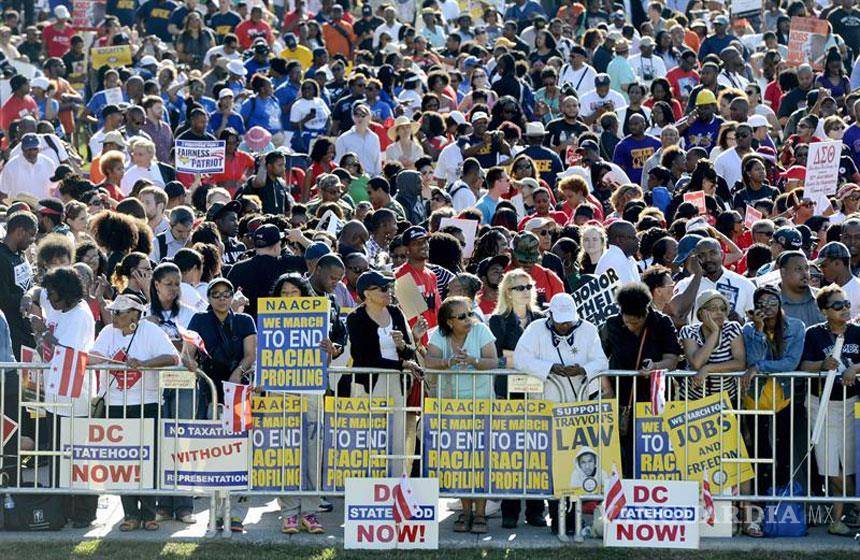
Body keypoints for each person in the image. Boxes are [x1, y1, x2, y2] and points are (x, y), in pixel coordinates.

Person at [514, 293, 608, 531]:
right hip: (546, 406)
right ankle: (556, 518)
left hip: (578, 407)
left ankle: (570, 519)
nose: (565, 325)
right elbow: (520, 359)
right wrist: (550, 368)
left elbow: (601, 361)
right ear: (551, 316)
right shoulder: (536, 329)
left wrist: (583, 369)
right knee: (550, 465)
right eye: (560, 321)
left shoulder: (588, 330)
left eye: (568, 321)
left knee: (573, 463)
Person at [90, 293, 179, 532]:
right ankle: (130, 513)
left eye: (119, 312)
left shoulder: (151, 331)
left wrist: (145, 363)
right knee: (122, 459)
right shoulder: (107, 332)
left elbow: (172, 357)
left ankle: (149, 514)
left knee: (147, 459)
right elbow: (93, 357)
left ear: (134, 314)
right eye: (113, 312)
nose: (114, 316)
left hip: (147, 403)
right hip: (115, 404)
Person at [425, 296, 498, 534]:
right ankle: (465, 512)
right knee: (461, 461)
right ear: (449, 322)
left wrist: (473, 360)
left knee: (481, 461)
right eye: (462, 316)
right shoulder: (439, 335)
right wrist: (448, 362)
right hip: (453, 407)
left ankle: (480, 514)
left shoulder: (481, 330)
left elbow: (493, 362)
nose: (469, 319)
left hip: (482, 405)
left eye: (470, 314)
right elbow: (429, 361)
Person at [599, 282, 681, 475]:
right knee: (622, 452)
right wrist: (607, 390)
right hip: (621, 399)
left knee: (652, 454)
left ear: (645, 313)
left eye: (635, 323)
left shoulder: (662, 323)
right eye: (626, 322)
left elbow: (672, 359)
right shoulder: (611, 324)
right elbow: (598, 360)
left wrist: (655, 367)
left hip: (653, 400)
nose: (629, 326)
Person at [488, 269, 546, 528]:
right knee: (509, 452)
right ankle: (510, 512)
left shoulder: (542, 319)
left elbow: (545, 355)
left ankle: (535, 510)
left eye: (528, 286)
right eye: (519, 287)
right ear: (507, 292)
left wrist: (519, 358)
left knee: (537, 451)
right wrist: (529, 360)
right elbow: (500, 357)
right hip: (509, 392)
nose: (525, 291)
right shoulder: (497, 321)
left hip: (538, 391)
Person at [799, 285, 858, 536]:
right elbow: (803, 365)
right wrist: (822, 364)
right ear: (824, 311)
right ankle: (849, 510)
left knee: (852, 462)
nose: (844, 309)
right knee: (830, 466)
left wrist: (854, 369)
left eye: (846, 304)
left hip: (853, 404)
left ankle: (841, 517)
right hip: (820, 404)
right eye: (837, 305)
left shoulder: (857, 332)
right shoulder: (814, 334)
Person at [678, 290, 745, 401]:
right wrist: (715, 332)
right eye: (713, 309)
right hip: (693, 400)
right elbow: (697, 364)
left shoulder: (732, 328)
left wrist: (708, 369)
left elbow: (740, 363)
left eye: (723, 309)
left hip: (726, 399)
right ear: (701, 313)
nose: (719, 313)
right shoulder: (689, 331)